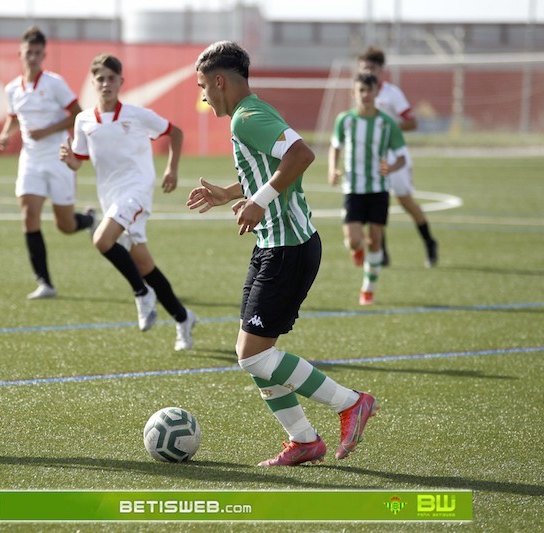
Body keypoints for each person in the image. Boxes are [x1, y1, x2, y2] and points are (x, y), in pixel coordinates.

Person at [188, 41, 377, 466]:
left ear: (220, 81)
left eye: (203, 86)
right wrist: (232, 193)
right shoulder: (252, 113)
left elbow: (301, 156)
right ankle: (305, 441)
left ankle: (350, 403)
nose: (203, 96)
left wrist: (259, 201)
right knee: (252, 357)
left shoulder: (247, 118)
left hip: (288, 248)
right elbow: (273, 167)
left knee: (254, 354)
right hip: (274, 245)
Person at [60, 54, 196, 351]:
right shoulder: (84, 120)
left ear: (121, 82)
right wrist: (70, 160)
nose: (106, 83)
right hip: (110, 197)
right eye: (100, 79)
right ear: (93, 83)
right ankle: (183, 318)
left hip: (137, 192)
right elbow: (79, 160)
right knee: (144, 263)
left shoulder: (136, 114)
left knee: (101, 240)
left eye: (111, 78)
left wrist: (171, 168)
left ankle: (141, 293)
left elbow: (175, 132)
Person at [0, 26, 96, 299]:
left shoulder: (54, 83)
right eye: (29, 52)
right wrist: (6, 133)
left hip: (59, 156)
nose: (33, 57)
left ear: (44, 55)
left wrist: (48, 130)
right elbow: (14, 117)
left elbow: (78, 114)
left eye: (38, 53)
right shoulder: (12, 89)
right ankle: (45, 283)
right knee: (28, 215)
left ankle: (88, 220)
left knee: (64, 225)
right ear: (20, 53)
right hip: (30, 158)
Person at [328, 73, 407, 306]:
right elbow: (335, 147)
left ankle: (368, 289)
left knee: (375, 240)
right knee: (353, 241)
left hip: (379, 189)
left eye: (369, 90)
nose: (365, 95)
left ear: (376, 93)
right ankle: (357, 251)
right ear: (354, 93)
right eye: (360, 91)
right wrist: (332, 169)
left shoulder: (387, 123)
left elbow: (402, 157)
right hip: (353, 187)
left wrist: (391, 166)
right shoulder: (345, 120)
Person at [358, 46, 438, 268]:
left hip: (394, 154)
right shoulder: (359, 92)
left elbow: (412, 122)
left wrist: (387, 128)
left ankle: (429, 241)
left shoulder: (391, 93)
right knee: (375, 200)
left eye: (372, 67)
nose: (368, 71)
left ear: (381, 70)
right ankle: (382, 253)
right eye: (364, 67)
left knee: (404, 200)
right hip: (372, 158)